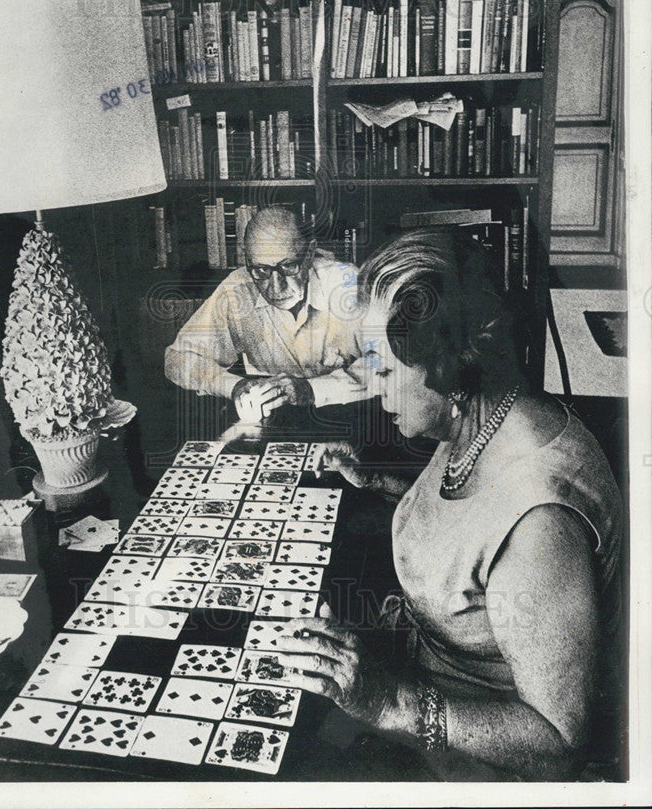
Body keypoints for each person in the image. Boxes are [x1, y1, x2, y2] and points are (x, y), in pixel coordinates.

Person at [275, 227, 622, 780]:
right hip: (417, 670)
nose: (376, 388)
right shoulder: (481, 415)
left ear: (451, 371)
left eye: (385, 370)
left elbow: (558, 741)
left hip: (477, 750)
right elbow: (468, 524)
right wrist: (379, 483)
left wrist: (393, 704)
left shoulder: (540, 528)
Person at [164, 206, 372, 420]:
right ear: (247, 261)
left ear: (309, 254)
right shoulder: (237, 289)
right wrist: (235, 386)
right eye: (261, 270)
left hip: (354, 415)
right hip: (275, 418)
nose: (276, 287)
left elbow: (387, 364)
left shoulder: (347, 285)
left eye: (289, 266)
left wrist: (312, 389)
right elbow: (177, 359)